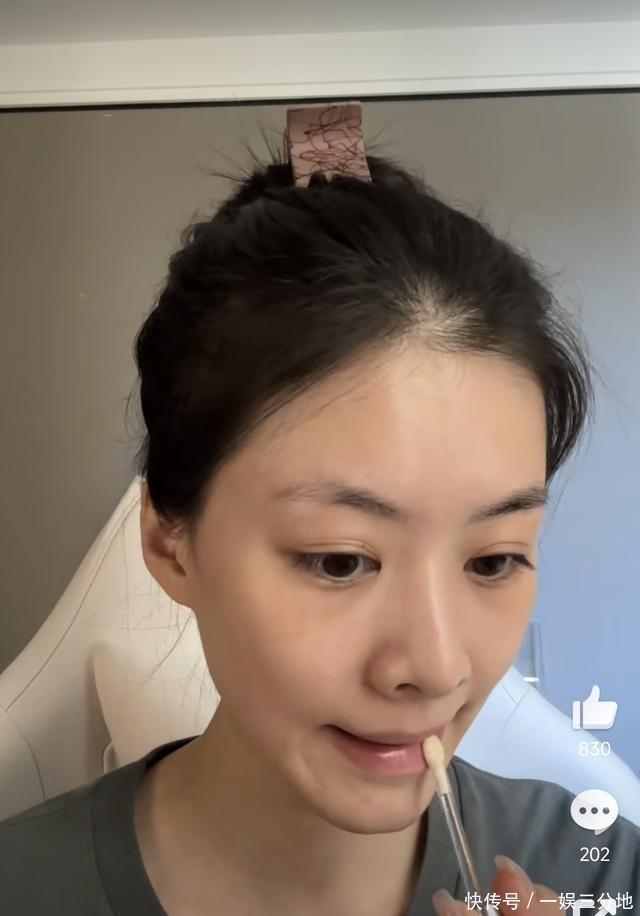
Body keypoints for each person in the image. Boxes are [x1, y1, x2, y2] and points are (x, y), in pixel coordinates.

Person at [1, 102, 638, 916]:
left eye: (492, 560)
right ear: (168, 542)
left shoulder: (602, 872)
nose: (437, 668)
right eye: (340, 560)